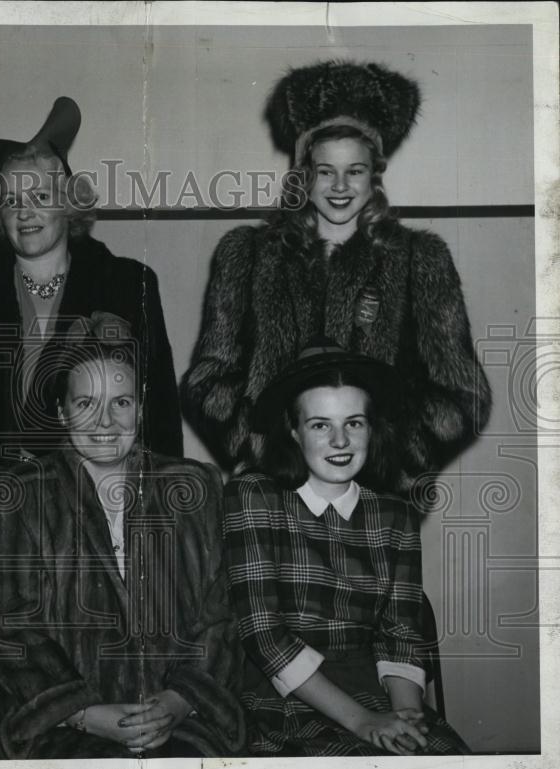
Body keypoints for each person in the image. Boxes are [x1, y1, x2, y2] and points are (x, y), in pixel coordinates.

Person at [183, 61, 490, 490]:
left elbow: (463, 393)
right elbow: (207, 379)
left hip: (378, 502)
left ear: (374, 176)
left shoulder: (421, 258)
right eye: (326, 171)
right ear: (305, 176)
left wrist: (395, 462)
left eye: (355, 171)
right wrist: (259, 450)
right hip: (275, 494)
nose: (340, 186)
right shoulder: (246, 255)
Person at [0, 312, 245, 759]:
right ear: (61, 411)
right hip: (60, 728)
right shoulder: (16, 495)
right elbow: (4, 625)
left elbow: (223, 614)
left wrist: (180, 700)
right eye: (85, 403)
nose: (105, 421)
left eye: (120, 402)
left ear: (140, 407)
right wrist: (84, 712)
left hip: (181, 723)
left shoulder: (195, 487)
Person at [223, 340, 470, 756]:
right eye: (320, 425)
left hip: (376, 688)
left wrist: (406, 719)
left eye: (353, 423)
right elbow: (264, 635)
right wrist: (363, 721)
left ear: (372, 428)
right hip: (283, 697)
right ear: (293, 430)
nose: (340, 440)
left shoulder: (395, 514)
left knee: (443, 765)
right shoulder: (252, 495)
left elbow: (401, 635)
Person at [0, 97, 182, 474]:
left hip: (91, 504)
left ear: (69, 203)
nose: (25, 212)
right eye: (12, 200)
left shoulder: (126, 284)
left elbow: (159, 416)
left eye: (40, 196)